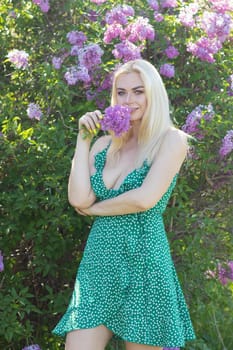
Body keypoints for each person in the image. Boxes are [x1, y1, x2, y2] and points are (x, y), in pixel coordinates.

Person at [52, 59, 196, 350]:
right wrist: (83, 140)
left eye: (138, 91)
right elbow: (79, 198)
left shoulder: (172, 140)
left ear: (153, 94)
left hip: (145, 263)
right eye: (121, 92)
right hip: (99, 263)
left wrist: (94, 211)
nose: (129, 100)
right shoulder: (105, 146)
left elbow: (144, 198)